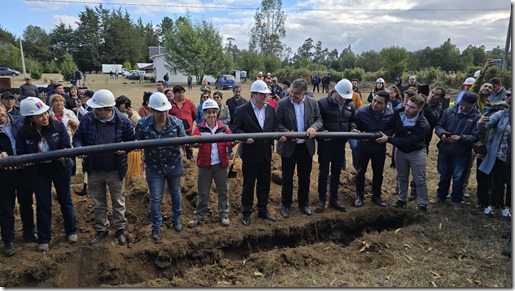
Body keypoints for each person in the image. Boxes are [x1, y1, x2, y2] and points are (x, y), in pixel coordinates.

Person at [73, 89, 135, 246]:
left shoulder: (123, 121)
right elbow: (78, 137)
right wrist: (80, 148)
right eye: (94, 108)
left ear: (108, 109)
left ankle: (119, 229)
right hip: (94, 168)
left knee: (118, 201)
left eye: (98, 109)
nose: (94, 111)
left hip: (115, 168)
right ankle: (102, 229)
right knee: (98, 202)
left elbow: (132, 140)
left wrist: (125, 148)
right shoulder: (88, 119)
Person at [16, 97, 78, 252]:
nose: (44, 117)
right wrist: (27, 161)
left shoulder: (57, 125)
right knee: (43, 204)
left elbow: (65, 144)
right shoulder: (24, 131)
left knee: (65, 200)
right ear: (31, 118)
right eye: (39, 115)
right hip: (39, 171)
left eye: (45, 113)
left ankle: (71, 231)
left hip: (59, 168)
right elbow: (21, 151)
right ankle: (44, 238)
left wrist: (63, 154)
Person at [135, 92, 186, 240]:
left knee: (175, 192)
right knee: (156, 197)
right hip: (153, 166)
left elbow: (184, 142)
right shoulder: (143, 124)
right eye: (159, 111)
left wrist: (188, 149)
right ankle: (156, 227)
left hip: (173, 164)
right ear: (152, 110)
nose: (163, 114)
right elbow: (136, 143)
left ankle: (177, 218)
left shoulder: (177, 123)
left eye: (165, 110)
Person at [232, 80, 277, 226]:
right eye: (262, 94)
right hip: (251, 155)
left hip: (265, 154)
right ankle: (246, 212)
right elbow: (236, 129)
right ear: (254, 94)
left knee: (264, 184)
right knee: (249, 184)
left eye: (267, 94)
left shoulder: (270, 110)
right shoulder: (242, 110)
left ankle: (263, 210)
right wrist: (245, 136)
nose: (265, 97)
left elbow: (274, 128)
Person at [276, 78, 323, 218]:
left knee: (305, 177)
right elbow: (277, 123)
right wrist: (287, 133)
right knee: (287, 178)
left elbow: (319, 119)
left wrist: (313, 128)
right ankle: (286, 205)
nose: (292, 95)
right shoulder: (282, 103)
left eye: (296, 93)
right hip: (289, 147)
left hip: (305, 147)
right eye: (291, 91)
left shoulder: (313, 103)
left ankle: (303, 203)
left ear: (304, 93)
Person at [188, 99, 235, 228]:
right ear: (204, 114)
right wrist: (194, 141)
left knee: (223, 191)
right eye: (208, 112)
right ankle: (199, 215)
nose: (211, 115)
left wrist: (234, 141)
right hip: (205, 165)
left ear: (217, 113)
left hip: (221, 164)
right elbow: (195, 144)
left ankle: (224, 214)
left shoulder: (224, 128)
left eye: (214, 112)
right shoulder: (199, 128)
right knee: (203, 192)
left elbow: (229, 143)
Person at [379, 94, 429, 213]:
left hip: (416, 152)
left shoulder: (423, 124)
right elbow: (392, 127)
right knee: (401, 177)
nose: (407, 109)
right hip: (400, 151)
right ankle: (402, 199)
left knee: (419, 180)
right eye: (407, 105)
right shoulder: (399, 113)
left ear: (419, 109)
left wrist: (389, 139)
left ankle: (422, 205)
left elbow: (409, 141)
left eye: (412, 107)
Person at [0, 105, 37, 257]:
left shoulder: (19, 121)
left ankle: (29, 232)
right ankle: (8, 240)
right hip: (3, 173)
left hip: (23, 170)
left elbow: (31, 137)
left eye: (0, 113)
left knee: (26, 203)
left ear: (3, 107)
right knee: (6, 207)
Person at [434, 92, 481, 211]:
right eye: (462, 104)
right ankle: (441, 196)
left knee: (458, 177)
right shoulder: (449, 111)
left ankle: (456, 199)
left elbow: (476, 136)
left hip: (461, 152)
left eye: (467, 106)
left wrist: (461, 138)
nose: (463, 107)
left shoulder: (476, 117)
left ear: (473, 105)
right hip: (445, 149)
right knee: (444, 174)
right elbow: (439, 125)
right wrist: (442, 134)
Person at [315, 79, 355, 213]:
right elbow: (317, 121)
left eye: (346, 98)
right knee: (323, 173)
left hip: (340, 145)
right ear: (335, 91)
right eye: (341, 97)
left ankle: (334, 199)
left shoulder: (350, 105)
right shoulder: (322, 104)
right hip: (325, 145)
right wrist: (321, 132)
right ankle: (321, 200)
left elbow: (351, 121)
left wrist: (353, 128)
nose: (343, 100)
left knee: (337, 172)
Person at [354, 90, 395, 207]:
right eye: (374, 100)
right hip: (363, 147)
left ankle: (376, 196)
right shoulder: (361, 112)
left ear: (386, 104)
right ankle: (359, 196)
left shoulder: (390, 114)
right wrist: (357, 132)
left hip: (379, 148)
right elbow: (353, 125)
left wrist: (386, 135)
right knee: (360, 171)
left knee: (378, 173)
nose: (375, 104)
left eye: (379, 103)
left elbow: (392, 128)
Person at [478, 93, 511, 219]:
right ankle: (491, 206)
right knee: (497, 181)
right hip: (500, 155)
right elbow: (487, 125)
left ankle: (508, 209)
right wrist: (481, 122)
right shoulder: (502, 114)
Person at [48, 94, 80, 176]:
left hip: (68, 140)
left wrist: (74, 124)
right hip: (54, 141)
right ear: (52, 103)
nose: (59, 103)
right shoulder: (48, 114)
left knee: (70, 161)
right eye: (56, 101)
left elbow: (77, 127)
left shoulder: (69, 113)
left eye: (61, 101)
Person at [115, 95, 143, 179]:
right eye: (123, 103)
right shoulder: (115, 114)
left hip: (132, 142)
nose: (125, 105)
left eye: (127, 103)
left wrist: (131, 116)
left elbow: (140, 124)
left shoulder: (134, 113)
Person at [169, 85, 197, 160]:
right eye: (178, 93)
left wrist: (190, 123)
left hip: (188, 129)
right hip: (174, 130)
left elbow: (194, 115)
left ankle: (189, 160)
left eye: (182, 92)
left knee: (189, 147)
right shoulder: (170, 104)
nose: (181, 94)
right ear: (174, 94)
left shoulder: (189, 103)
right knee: (176, 147)